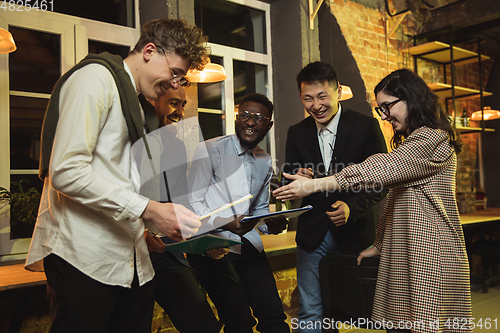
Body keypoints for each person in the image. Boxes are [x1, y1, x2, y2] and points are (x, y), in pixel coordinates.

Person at [25, 19, 210, 333]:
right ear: (149, 51)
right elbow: (66, 170)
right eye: (175, 73)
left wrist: (145, 226)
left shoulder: (135, 103)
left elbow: (118, 177)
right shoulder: (95, 78)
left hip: (131, 258)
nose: (176, 84)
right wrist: (149, 209)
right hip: (85, 257)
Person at [274, 68, 471, 333]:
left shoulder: (432, 138)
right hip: (406, 250)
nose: (385, 115)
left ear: (411, 98)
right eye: (381, 109)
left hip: (431, 251)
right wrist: (379, 244)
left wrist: (314, 184)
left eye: (388, 106)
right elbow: (395, 200)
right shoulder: (412, 140)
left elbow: (376, 170)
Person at [282, 61, 387, 332]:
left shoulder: (366, 127)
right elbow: (288, 179)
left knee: (363, 313)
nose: (315, 105)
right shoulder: (296, 132)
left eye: (322, 96)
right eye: (307, 98)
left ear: (338, 91)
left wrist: (353, 208)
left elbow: (382, 181)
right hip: (311, 236)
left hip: (356, 233)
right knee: (311, 312)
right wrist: (295, 178)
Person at [187, 93, 290, 333]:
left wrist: (269, 223)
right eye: (244, 115)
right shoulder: (210, 150)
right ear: (237, 117)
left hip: (249, 246)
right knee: (240, 323)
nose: (250, 122)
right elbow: (193, 205)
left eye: (258, 118)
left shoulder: (265, 160)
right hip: (214, 247)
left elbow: (260, 209)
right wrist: (226, 222)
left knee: (274, 316)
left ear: (269, 125)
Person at [134, 85, 222, 333]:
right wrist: (140, 233)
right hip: (130, 253)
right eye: (174, 103)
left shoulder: (178, 146)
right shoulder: (131, 140)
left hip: (166, 255)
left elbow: (180, 204)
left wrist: (203, 240)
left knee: (205, 326)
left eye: (183, 105)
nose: (181, 112)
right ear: (152, 102)